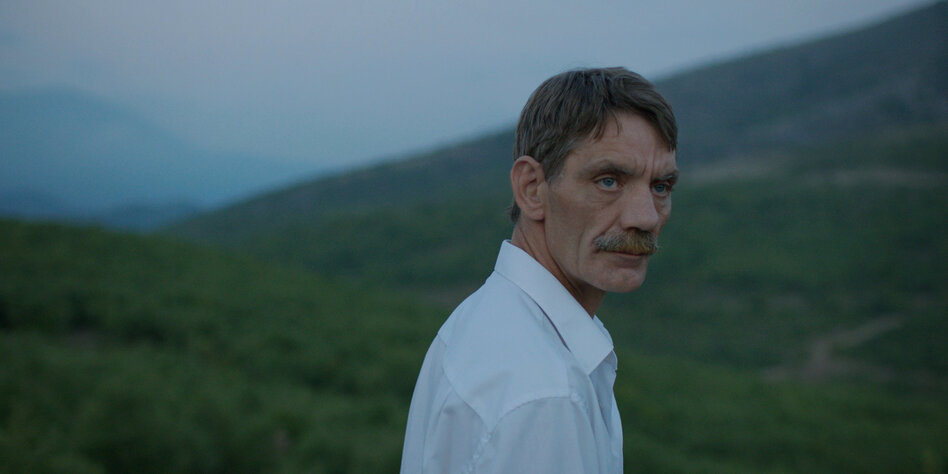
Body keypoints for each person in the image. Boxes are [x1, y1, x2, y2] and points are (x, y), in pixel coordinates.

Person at [401, 67, 678, 473]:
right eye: (608, 181)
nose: (646, 217)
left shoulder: (487, 322)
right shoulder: (544, 395)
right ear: (531, 188)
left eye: (661, 186)